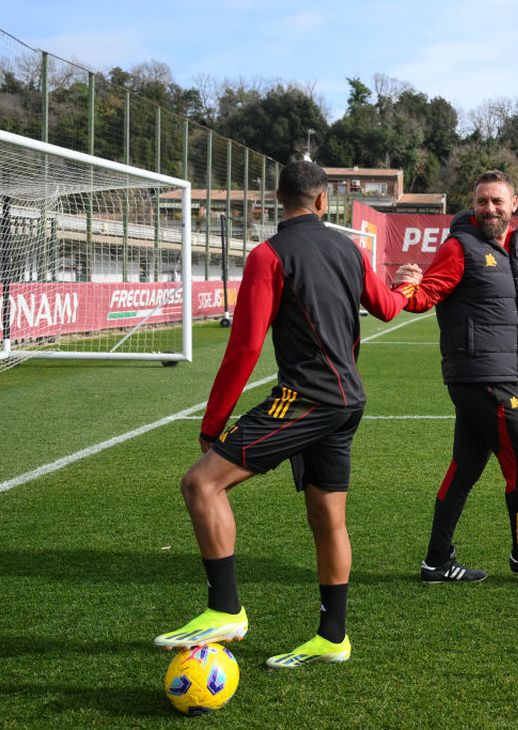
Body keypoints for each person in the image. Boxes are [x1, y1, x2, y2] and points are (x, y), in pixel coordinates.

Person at [154, 160, 419, 668]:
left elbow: (245, 346)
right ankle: (332, 638)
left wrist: (213, 425)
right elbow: (387, 307)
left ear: (279, 201)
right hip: (348, 403)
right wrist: (406, 285)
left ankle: (224, 609)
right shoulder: (350, 248)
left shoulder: (268, 254)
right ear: (323, 202)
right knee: (328, 520)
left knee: (201, 485)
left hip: (308, 398)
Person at [394, 170, 518, 585]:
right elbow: (428, 294)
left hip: (499, 375)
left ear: (514, 204)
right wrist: (407, 288)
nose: (489, 209)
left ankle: (436, 561)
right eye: (482, 201)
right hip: (480, 376)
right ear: (473, 203)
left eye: (497, 201)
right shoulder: (459, 247)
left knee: (465, 468)